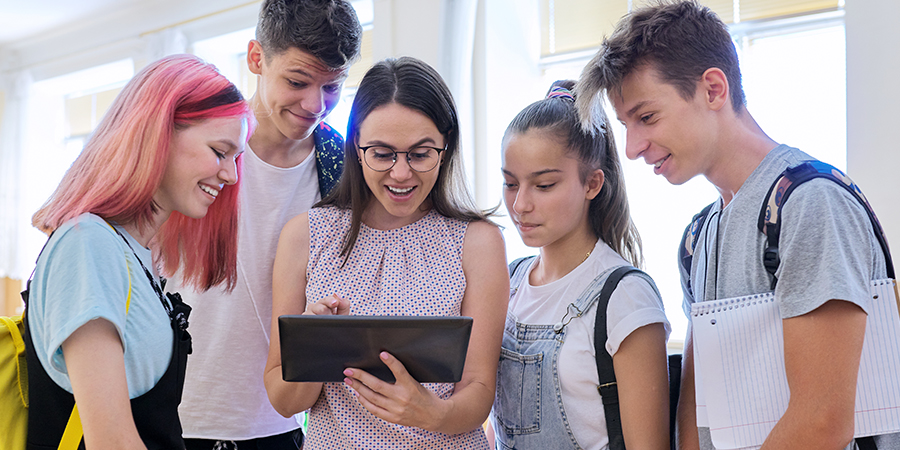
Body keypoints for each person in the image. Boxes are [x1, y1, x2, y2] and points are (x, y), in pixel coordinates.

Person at [576, 2, 900, 449]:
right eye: (625, 124)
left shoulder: (809, 205)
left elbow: (823, 421)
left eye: (647, 117)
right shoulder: (696, 240)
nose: (632, 148)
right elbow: (697, 411)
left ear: (713, 89)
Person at [263, 56, 509, 449]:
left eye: (420, 153)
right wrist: (315, 345)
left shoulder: (478, 241)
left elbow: (479, 391)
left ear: (445, 147)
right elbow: (283, 399)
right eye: (382, 153)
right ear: (356, 147)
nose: (400, 173)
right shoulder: (305, 235)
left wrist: (431, 412)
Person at [24, 54, 253, 449]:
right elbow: (111, 441)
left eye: (236, 158)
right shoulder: (87, 246)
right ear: (157, 134)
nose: (231, 175)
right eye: (219, 151)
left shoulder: (137, 256)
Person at [168, 1, 362, 449]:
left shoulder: (343, 167)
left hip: (281, 421)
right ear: (257, 58)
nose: (315, 105)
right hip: (176, 412)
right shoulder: (197, 144)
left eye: (332, 87)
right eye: (297, 81)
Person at [491, 80, 670, 449]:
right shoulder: (508, 282)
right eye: (510, 184)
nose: (520, 205)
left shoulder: (625, 295)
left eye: (543, 186)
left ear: (592, 184)